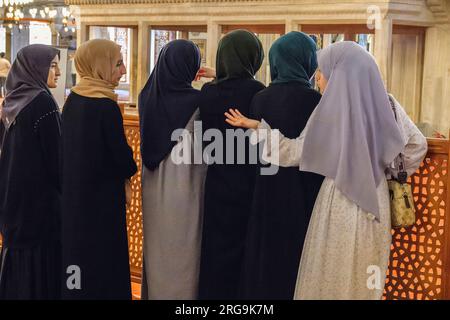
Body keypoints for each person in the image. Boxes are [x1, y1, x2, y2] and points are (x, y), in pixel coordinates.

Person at [225, 41, 428, 300]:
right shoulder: (387, 104)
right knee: (362, 278)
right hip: (374, 206)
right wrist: (382, 169)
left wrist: (259, 129)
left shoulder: (331, 110)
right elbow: (416, 146)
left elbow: (297, 151)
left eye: (323, 72)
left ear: (340, 74)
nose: (318, 78)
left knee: (329, 275)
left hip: (337, 201)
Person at [239, 31, 324, 300]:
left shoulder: (260, 99)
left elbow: (254, 150)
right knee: (299, 257)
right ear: (307, 61)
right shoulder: (317, 102)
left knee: (266, 256)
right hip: (305, 193)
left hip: (266, 189)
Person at [138, 39, 215, 300]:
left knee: (157, 250)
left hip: (152, 185)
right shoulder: (198, 101)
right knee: (184, 252)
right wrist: (218, 75)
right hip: (186, 186)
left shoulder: (146, 96)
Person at [61, 39, 137, 300]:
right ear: (100, 66)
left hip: (75, 203)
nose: (123, 70)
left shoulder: (72, 101)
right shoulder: (105, 107)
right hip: (102, 206)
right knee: (104, 268)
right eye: (118, 64)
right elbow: (122, 159)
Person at [198, 29, 265, 300]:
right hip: (249, 183)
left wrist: (218, 75)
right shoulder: (258, 93)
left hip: (216, 182)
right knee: (243, 252)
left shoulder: (207, 93)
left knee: (214, 250)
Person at [0, 45, 62, 299]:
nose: (58, 72)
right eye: (53, 65)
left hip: (12, 201)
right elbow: (57, 159)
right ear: (36, 67)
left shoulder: (13, 100)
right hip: (39, 206)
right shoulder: (42, 102)